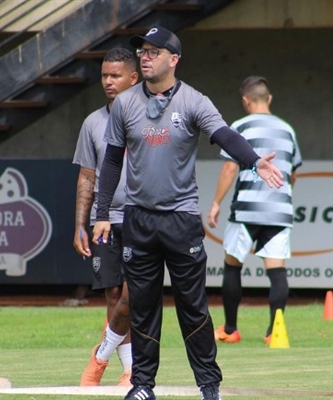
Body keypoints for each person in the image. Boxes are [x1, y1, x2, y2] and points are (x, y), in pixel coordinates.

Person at [92, 26, 284, 400]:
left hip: (180, 220)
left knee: (192, 309)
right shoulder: (126, 104)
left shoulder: (194, 101)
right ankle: (143, 386)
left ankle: (209, 387)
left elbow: (225, 135)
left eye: (154, 51)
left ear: (173, 59)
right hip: (139, 219)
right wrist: (102, 212)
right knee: (143, 308)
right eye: (142, 51)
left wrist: (255, 161)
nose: (145, 57)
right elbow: (112, 161)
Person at [207, 76, 302, 345]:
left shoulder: (239, 127)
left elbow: (229, 168)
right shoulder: (288, 130)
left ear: (245, 101)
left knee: (232, 265)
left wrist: (215, 203)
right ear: (269, 99)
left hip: (246, 211)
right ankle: (274, 332)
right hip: (279, 211)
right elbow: (293, 174)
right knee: (277, 271)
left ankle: (230, 329)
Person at [72, 47, 138, 386]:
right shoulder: (93, 122)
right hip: (105, 219)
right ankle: (129, 371)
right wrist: (79, 225)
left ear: (133, 77)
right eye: (104, 76)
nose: (108, 82)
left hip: (142, 217)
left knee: (133, 294)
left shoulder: (149, 116)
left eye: (115, 76)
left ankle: (100, 356)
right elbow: (87, 176)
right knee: (113, 296)